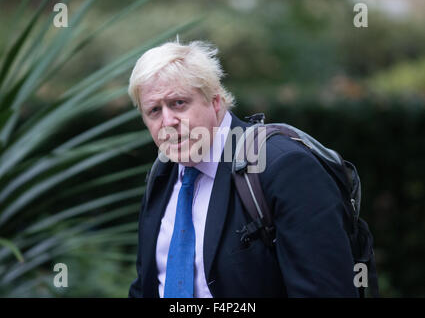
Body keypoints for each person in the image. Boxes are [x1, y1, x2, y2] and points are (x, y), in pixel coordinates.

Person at [127, 40, 359, 298]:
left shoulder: (282, 167)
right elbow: (145, 288)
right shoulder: (162, 174)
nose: (168, 121)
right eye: (154, 110)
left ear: (215, 102)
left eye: (179, 103)